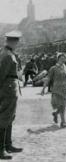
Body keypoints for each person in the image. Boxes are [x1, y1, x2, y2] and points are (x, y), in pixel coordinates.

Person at [0, 30, 23, 160]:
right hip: (7, 90)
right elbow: (1, 75)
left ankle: (8, 145)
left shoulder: (9, 53)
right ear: (12, 41)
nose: (18, 44)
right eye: (17, 41)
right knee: (4, 118)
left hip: (10, 90)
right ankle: (1, 149)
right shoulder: (7, 55)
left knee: (10, 117)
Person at [41, 53, 66, 128]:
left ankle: (56, 114)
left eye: (64, 58)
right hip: (57, 88)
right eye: (61, 58)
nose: (63, 59)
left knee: (63, 105)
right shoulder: (53, 68)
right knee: (61, 105)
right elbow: (48, 78)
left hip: (65, 89)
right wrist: (43, 89)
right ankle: (63, 122)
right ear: (58, 59)